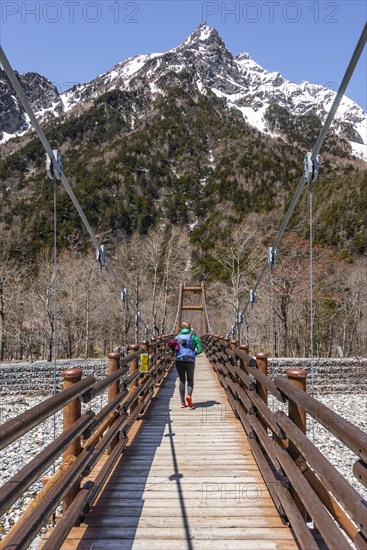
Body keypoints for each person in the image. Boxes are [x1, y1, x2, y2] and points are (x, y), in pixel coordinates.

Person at [175, 321, 203, 409]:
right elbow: (200, 349)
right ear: (189, 328)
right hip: (190, 361)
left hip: (179, 361)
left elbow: (172, 349)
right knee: (190, 380)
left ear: (181, 328)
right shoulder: (193, 336)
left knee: (182, 381)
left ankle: (182, 402)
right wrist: (194, 354)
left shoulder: (177, 337)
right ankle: (189, 396)